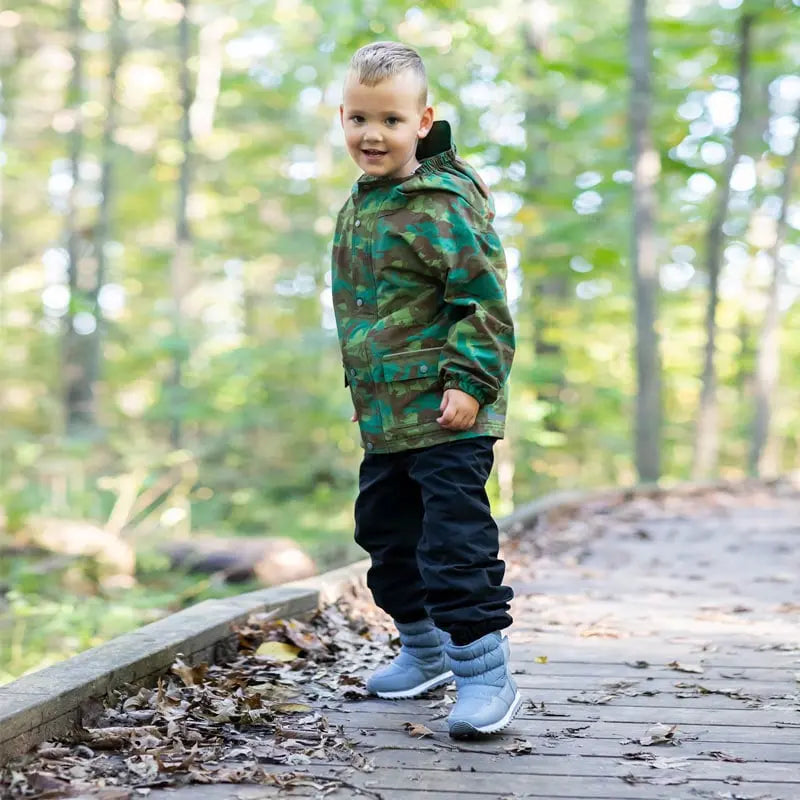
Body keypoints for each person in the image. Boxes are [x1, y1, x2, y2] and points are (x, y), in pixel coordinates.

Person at [331, 40, 520, 738]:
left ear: (423, 120)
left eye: (388, 119)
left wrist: (470, 383)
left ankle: (484, 674)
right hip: (387, 418)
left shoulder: (439, 204)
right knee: (383, 534)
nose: (370, 134)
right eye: (357, 118)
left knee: (453, 546)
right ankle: (426, 650)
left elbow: (486, 303)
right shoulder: (362, 205)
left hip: (449, 415)